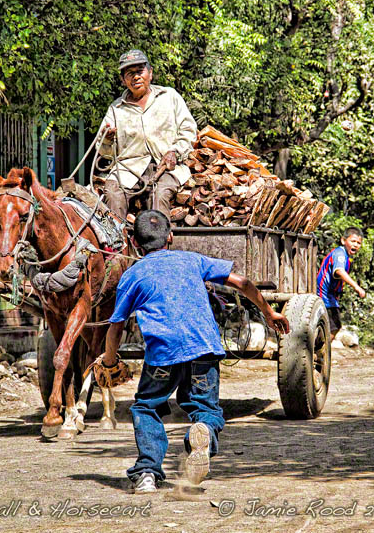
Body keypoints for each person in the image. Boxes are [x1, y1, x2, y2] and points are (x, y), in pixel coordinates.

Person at [103, 210, 290, 494]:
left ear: (134, 242)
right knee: (205, 408)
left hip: (163, 354)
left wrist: (109, 359)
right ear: (171, 237)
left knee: (146, 406)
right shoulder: (192, 260)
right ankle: (199, 434)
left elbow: (116, 325)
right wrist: (269, 313)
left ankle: (147, 474)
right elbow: (242, 283)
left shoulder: (132, 275)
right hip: (204, 348)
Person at [98, 49, 197, 221]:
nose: (136, 77)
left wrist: (175, 151)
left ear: (150, 73)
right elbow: (103, 151)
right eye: (129, 74)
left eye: (139, 71)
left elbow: (188, 130)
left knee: (159, 194)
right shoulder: (116, 109)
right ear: (123, 80)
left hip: (166, 166)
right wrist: (108, 139)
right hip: (129, 169)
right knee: (112, 193)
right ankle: (116, 244)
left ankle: (161, 245)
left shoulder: (169, 97)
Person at [317, 227, 366, 340]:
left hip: (331, 296)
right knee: (333, 326)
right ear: (343, 241)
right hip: (324, 295)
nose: (355, 245)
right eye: (352, 241)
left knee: (333, 326)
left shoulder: (346, 257)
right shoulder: (340, 253)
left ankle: (319, 351)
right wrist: (357, 287)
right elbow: (339, 270)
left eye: (358, 243)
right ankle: (319, 352)